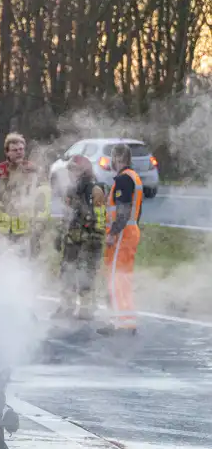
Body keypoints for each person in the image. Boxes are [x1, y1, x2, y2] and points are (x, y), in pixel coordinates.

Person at [53, 155, 106, 319]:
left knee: (86, 273)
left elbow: (101, 217)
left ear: (83, 171)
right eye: (69, 170)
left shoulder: (95, 190)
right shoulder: (70, 190)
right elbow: (66, 214)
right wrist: (60, 233)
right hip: (71, 239)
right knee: (66, 272)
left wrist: (96, 239)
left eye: (74, 170)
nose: (70, 173)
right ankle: (66, 306)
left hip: (88, 240)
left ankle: (86, 308)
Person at [101, 143, 144, 336]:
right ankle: (124, 319)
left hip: (122, 235)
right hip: (129, 232)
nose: (111, 162)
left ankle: (122, 322)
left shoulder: (123, 179)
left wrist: (113, 233)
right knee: (122, 277)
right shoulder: (134, 177)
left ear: (118, 158)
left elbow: (123, 211)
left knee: (117, 277)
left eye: (112, 157)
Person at [0, 132, 51, 252]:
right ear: (7, 152)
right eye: (15, 150)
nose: (19, 152)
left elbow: (43, 197)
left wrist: (40, 224)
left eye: (21, 149)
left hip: (25, 229)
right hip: (2, 229)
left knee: (25, 265)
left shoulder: (33, 170)